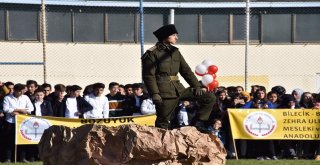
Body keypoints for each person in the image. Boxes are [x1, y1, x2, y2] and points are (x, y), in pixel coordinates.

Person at [141, 24, 216, 132]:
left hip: (179, 89)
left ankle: (198, 124)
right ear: (166, 36)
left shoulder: (175, 52)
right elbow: (148, 76)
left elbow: (186, 71)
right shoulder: (152, 53)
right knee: (163, 122)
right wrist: (155, 94)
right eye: (174, 35)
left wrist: (197, 86)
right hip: (164, 93)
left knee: (209, 97)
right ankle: (160, 145)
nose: (176, 37)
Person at [3, 84, 34, 162]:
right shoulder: (7, 98)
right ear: (15, 90)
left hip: (22, 122)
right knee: (9, 141)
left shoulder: (25, 97)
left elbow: (31, 108)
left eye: (23, 91)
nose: (22, 93)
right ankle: (8, 158)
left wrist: (18, 111)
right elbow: (6, 109)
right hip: (10, 122)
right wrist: (17, 110)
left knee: (22, 139)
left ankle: (22, 158)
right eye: (20, 91)